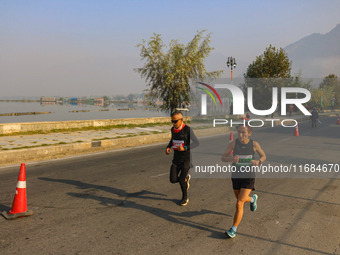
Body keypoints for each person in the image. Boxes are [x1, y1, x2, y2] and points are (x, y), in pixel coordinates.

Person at [221, 124, 266, 238]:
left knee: (239, 202)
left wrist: (258, 162)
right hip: (236, 175)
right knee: (240, 200)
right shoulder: (233, 144)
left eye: (243, 132)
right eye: (239, 132)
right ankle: (252, 199)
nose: (241, 135)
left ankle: (233, 229)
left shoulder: (254, 144)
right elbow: (223, 158)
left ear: (249, 133)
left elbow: (263, 156)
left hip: (248, 176)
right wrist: (232, 159)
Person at [166, 111, 199, 206]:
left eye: (175, 121)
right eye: (172, 121)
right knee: (172, 179)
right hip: (176, 159)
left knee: (180, 180)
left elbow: (196, 143)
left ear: (181, 120)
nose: (173, 123)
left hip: (186, 159)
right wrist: (168, 147)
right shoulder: (173, 129)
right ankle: (186, 179)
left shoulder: (187, 130)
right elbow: (172, 140)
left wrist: (184, 148)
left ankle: (185, 198)